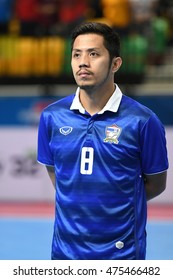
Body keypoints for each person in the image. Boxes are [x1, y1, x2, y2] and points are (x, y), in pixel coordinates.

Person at [37, 22, 169, 260]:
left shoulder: (143, 121)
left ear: (115, 64)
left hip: (122, 254)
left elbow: (156, 184)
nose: (83, 62)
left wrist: (114, 200)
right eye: (76, 54)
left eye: (94, 54)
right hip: (65, 254)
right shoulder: (51, 117)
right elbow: (61, 179)